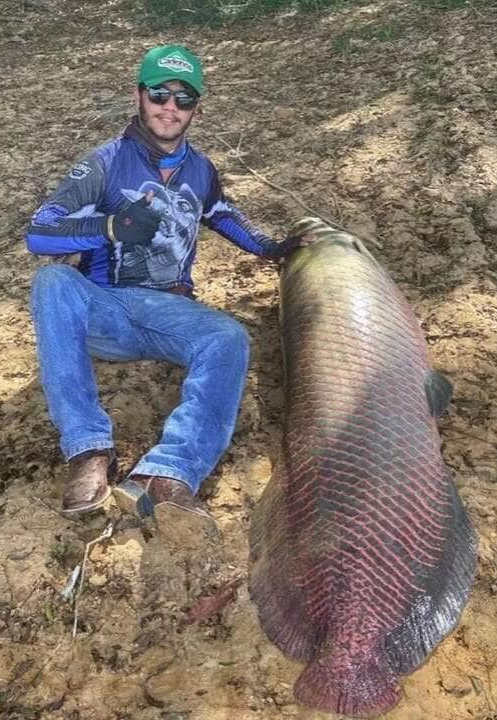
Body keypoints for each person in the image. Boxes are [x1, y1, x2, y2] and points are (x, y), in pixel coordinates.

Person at [25, 45, 299, 532]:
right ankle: (88, 449)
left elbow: (221, 214)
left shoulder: (202, 169)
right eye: (160, 94)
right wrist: (110, 226)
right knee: (52, 280)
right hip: (105, 308)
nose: (170, 107)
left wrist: (268, 248)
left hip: (169, 313)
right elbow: (39, 232)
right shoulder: (103, 163)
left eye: (184, 99)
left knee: (228, 337)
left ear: (196, 107)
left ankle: (168, 475)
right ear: (139, 95)